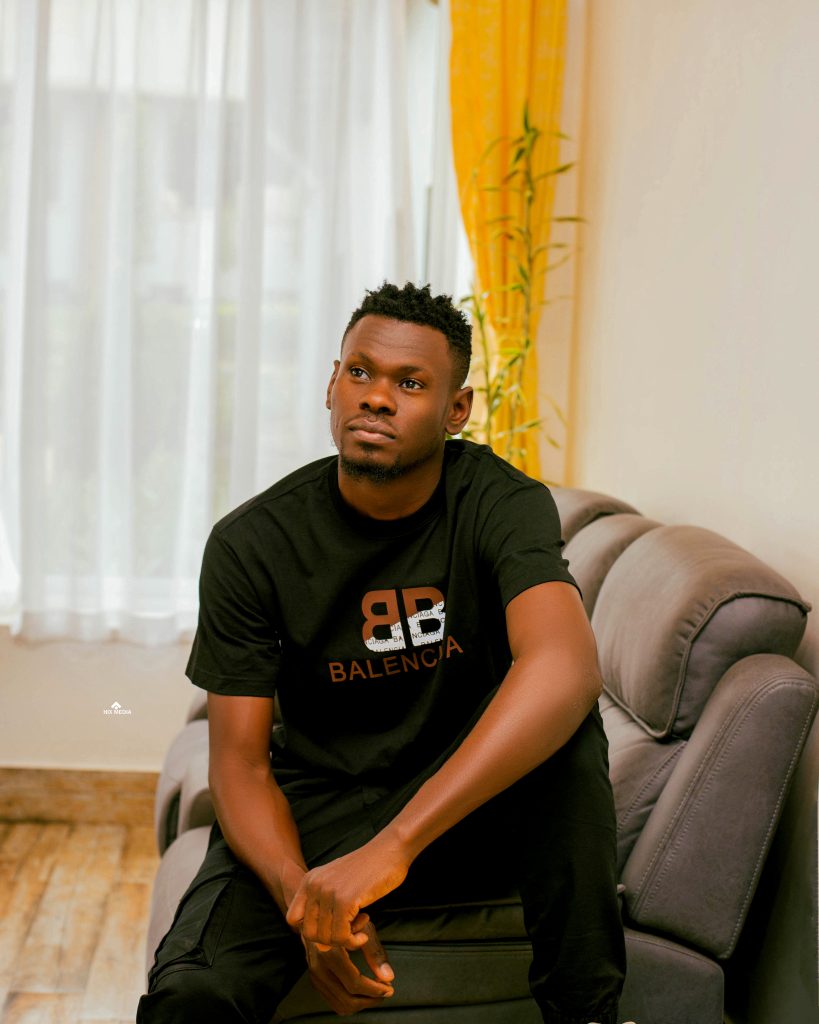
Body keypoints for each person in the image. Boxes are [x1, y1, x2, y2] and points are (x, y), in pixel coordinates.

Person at [137, 281, 626, 1024]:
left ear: (456, 410)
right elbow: (239, 765)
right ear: (331, 385)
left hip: (463, 806)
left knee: (564, 742)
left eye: (410, 383)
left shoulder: (500, 504)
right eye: (360, 372)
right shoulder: (251, 544)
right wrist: (305, 899)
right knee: (192, 994)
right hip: (324, 802)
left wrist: (394, 845)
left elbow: (567, 667)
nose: (375, 397)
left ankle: (585, 1015)